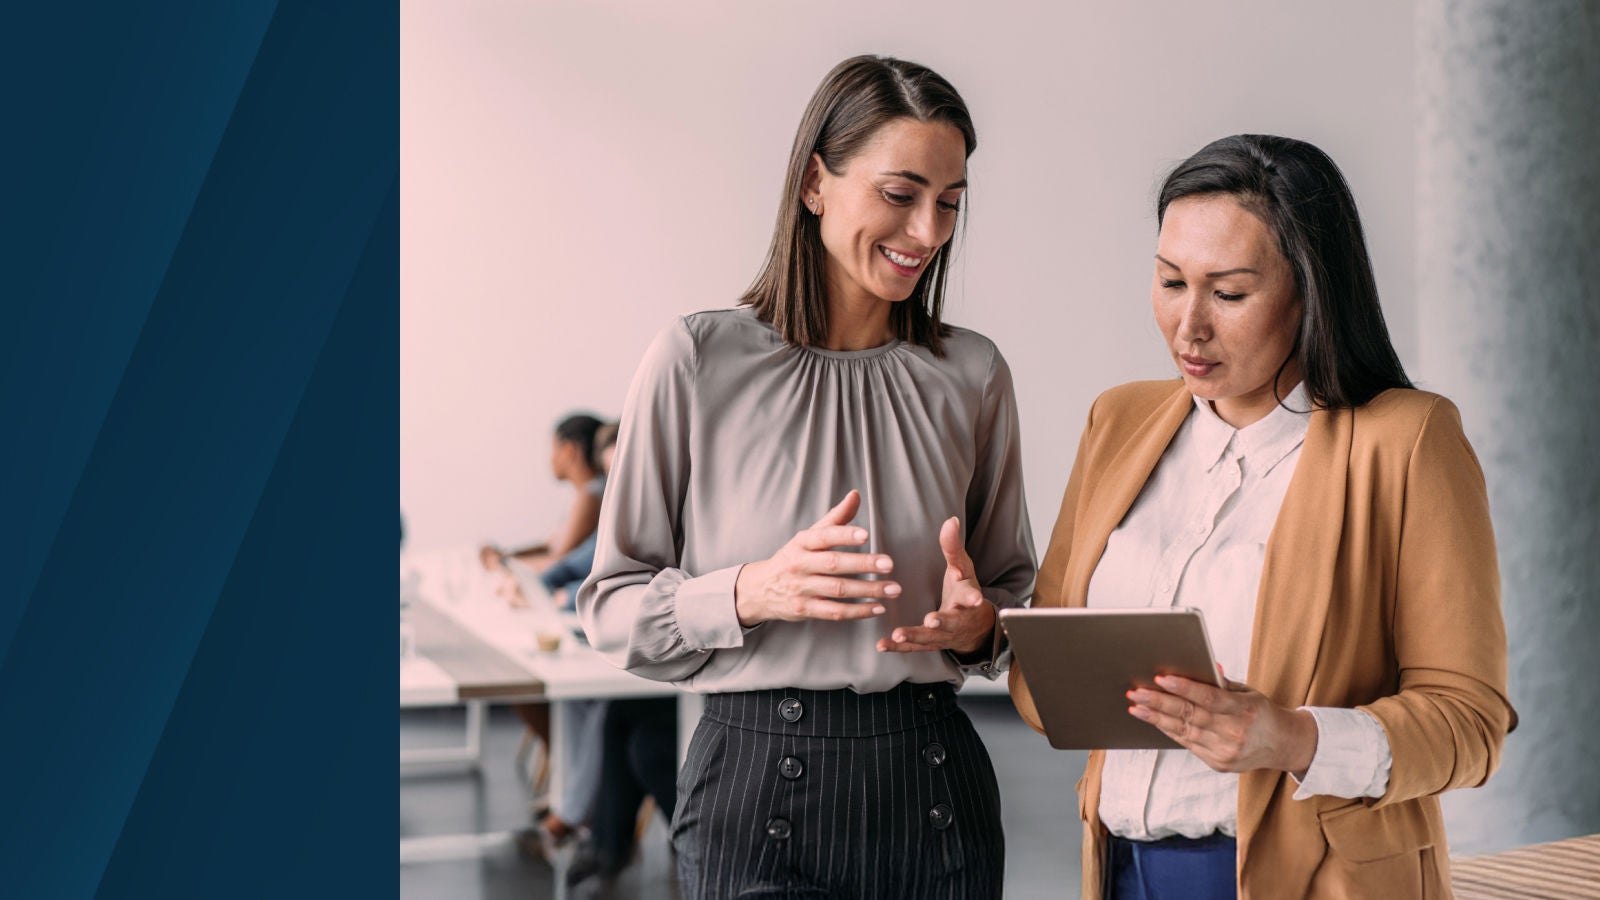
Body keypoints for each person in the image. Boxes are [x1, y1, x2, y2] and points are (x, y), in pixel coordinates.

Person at [1009, 134, 1515, 899]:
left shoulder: (1407, 442)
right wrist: (985, 636)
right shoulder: (1119, 422)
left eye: (1231, 294)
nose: (1190, 327)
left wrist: (1291, 736)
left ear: (1312, 291)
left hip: (1312, 877)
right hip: (1118, 869)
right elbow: (1048, 690)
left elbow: (1470, 725)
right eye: (1171, 282)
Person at [578, 55, 1035, 898]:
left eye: (950, 204)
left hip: (937, 787)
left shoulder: (973, 374)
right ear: (816, 183)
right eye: (900, 195)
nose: (929, 232)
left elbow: (1014, 599)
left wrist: (980, 629)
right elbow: (611, 611)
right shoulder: (697, 360)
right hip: (755, 790)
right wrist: (750, 591)